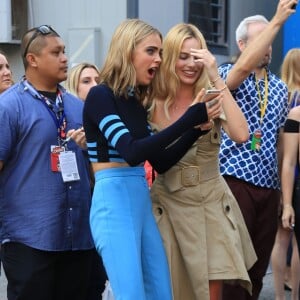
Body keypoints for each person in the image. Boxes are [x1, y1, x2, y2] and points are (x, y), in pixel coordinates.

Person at [83, 18, 222, 300]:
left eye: (159, 52)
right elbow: (132, 152)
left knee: (161, 292)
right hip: (113, 203)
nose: (158, 59)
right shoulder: (101, 95)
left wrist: (196, 130)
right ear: (127, 51)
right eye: (151, 51)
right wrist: (189, 120)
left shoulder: (135, 101)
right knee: (132, 295)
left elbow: (161, 161)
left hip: (139, 200)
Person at [148, 23, 256, 300]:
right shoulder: (152, 100)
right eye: (183, 56)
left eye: (197, 56)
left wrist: (217, 79)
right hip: (168, 203)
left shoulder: (212, 95)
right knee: (172, 288)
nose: (190, 64)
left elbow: (242, 134)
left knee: (210, 292)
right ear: (170, 56)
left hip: (210, 202)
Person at [0, 25, 95, 300]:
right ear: (32, 59)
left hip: (78, 237)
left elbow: (96, 168)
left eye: (64, 51)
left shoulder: (78, 106)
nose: (65, 58)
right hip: (29, 238)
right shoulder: (8, 107)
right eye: (56, 52)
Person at [218, 1, 297, 299]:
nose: (268, 46)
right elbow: (239, 71)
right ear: (242, 44)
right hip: (234, 181)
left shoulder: (279, 87)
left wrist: (281, 194)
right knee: (232, 268)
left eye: (271, 40)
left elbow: (279, 141)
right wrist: (277, 20)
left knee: (257, 268)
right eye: (261, 39)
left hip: (268, 187)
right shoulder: (229, 71)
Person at [65, 62, 108, 299]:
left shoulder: (108, 122)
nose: (94, 86)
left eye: (98, 80)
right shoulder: (68, 126)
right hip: (78, 221)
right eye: (86, 81)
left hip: (103, 213)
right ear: (73, 87)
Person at [271, 48, 300, 300]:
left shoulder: (282, 93)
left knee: (281, 239)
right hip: (291, 174)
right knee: (293, 242)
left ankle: (281, 295)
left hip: (280, 173)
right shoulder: (295, 100)